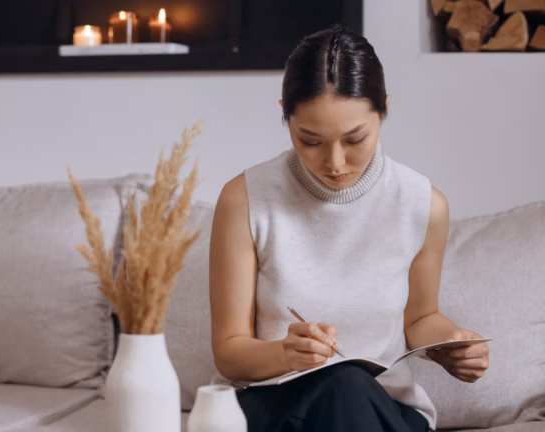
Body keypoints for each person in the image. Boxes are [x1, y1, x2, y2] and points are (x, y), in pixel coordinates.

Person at [208, 24, 490, 432]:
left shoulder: (423, 204)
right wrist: (286, 354)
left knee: (350, 389)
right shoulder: (245, 199)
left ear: (384, 110)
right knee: (340, 384)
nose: (335, 163)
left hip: (384, 408)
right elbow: (229, 352)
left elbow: (420, 317)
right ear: (285, 111)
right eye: (310, 140)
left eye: (356, 139)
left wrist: (451, 343)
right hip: (275, 402)